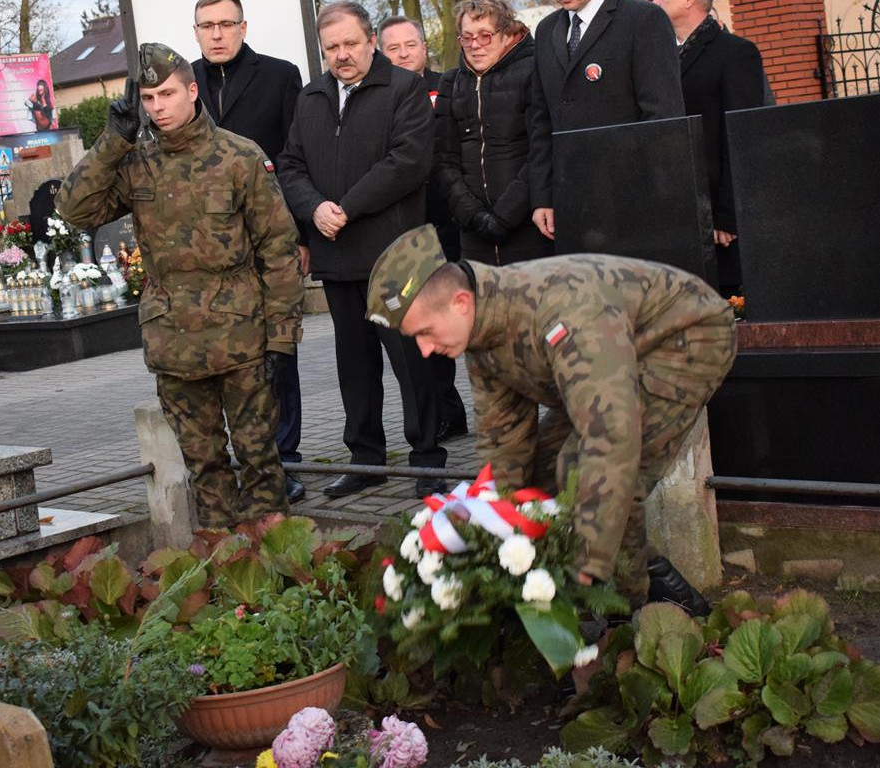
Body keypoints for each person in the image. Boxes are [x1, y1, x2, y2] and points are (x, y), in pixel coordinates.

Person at [366, 224, 736, 610]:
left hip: (685, 341)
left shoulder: (564, 312)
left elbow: (611, 440)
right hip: (616, 351)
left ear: (460, 301)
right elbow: (504, 442)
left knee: (587, 469)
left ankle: (625, 607)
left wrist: (589, 561)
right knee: (543, 473)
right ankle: (652, 576)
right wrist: (496, 531)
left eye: (425, 332)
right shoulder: (481, 329)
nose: (424, 350)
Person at [55, 43, 304, 528]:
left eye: (167, 94)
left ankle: (277, 572)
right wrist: (113, 141)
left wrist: (281, 339)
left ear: (193, 91)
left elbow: (279, 250)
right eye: (148, 98)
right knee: (204, 468)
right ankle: (222, 568)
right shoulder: (137, 162)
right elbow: (73, 210)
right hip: (175, 345)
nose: (157, 107)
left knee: (260, 463)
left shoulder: (238, 155)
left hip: (242, 340)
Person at [277, 1, 447, 499]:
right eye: (333, 47)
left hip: (397, 253)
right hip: (337, 253)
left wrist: (345, 207)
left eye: (351, 43)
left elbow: (409, 162)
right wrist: (315, 210)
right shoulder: (310, 97)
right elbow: (290, 166)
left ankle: (428, 462)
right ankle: (365, 460)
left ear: (372, 40)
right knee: (354, 364)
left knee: (411, 362)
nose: (343, 55)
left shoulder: (404, 87)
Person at [191, 0, 308, 503]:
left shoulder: (280, 76)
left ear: (243, 28)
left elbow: (295, 155)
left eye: (225, 25)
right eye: (207, 26)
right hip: (205, 249)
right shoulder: (184, 82)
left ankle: (287, 462)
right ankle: (238, 464)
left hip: (266, 237)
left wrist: (300, 235)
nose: (217, 35)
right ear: (196, 32)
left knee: (277, 353)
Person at [378, 15, 469, 443]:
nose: (402, 54)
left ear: (424, 47)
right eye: (392, 49)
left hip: (454, 222)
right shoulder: (379, 98)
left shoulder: (448, 86)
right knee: (422, 328)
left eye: (409, 45)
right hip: (408, 229)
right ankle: (447, 413)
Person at [529, 0, 684, 242]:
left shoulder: (643, 18)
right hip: (570, 206)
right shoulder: (546, 30)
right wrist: (543, 198)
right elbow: (541, 122)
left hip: (633, 201)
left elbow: (663, 117)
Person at [655, 0, 766, 296]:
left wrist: (728, 214)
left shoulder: (735, 53)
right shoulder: (657, 57)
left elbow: (743, 138)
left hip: (718, 218)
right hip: (676, 209)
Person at [435, 0, 553, 265]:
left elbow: (542, 151)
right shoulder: (451, 83)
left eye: (485, 36)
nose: (475, 45)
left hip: (528, 230)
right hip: (473, 235)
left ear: (506, 33)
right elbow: (444, 160)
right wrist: (474, 216)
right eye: (467, 38)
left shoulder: (535, 71)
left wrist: (504, 217)